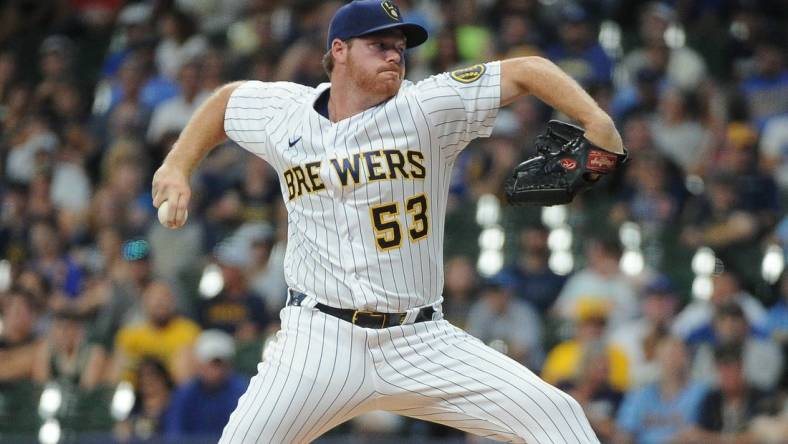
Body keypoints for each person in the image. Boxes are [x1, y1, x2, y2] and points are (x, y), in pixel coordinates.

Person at [151, 1, 624, 442]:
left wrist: (596, 120)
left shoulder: (426, 108)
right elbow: (227, 102)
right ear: (339, 50)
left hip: (420, 339)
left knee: (557, 416)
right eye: (380, 45)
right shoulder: (285, 114)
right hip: (318, 340)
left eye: (400, 48)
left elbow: (528, 70)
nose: (395, 56)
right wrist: (177, 165)